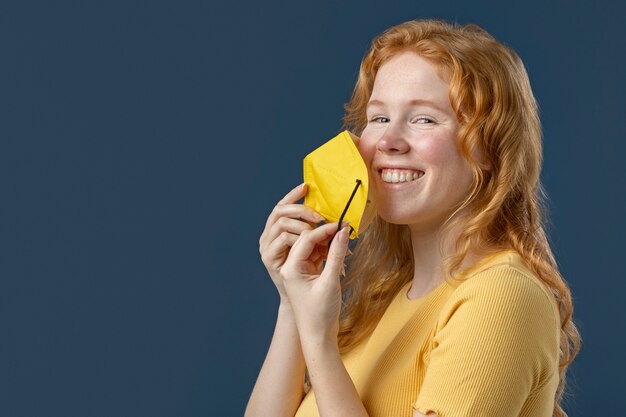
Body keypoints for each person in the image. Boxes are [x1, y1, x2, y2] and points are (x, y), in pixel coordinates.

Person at [245, 19, 580, 417]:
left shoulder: (501, 296)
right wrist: (292, 302)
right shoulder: (383, 302)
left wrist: (319, 340)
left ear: (488, 148)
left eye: (423, 119)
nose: (387, 141)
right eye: (379, 117)